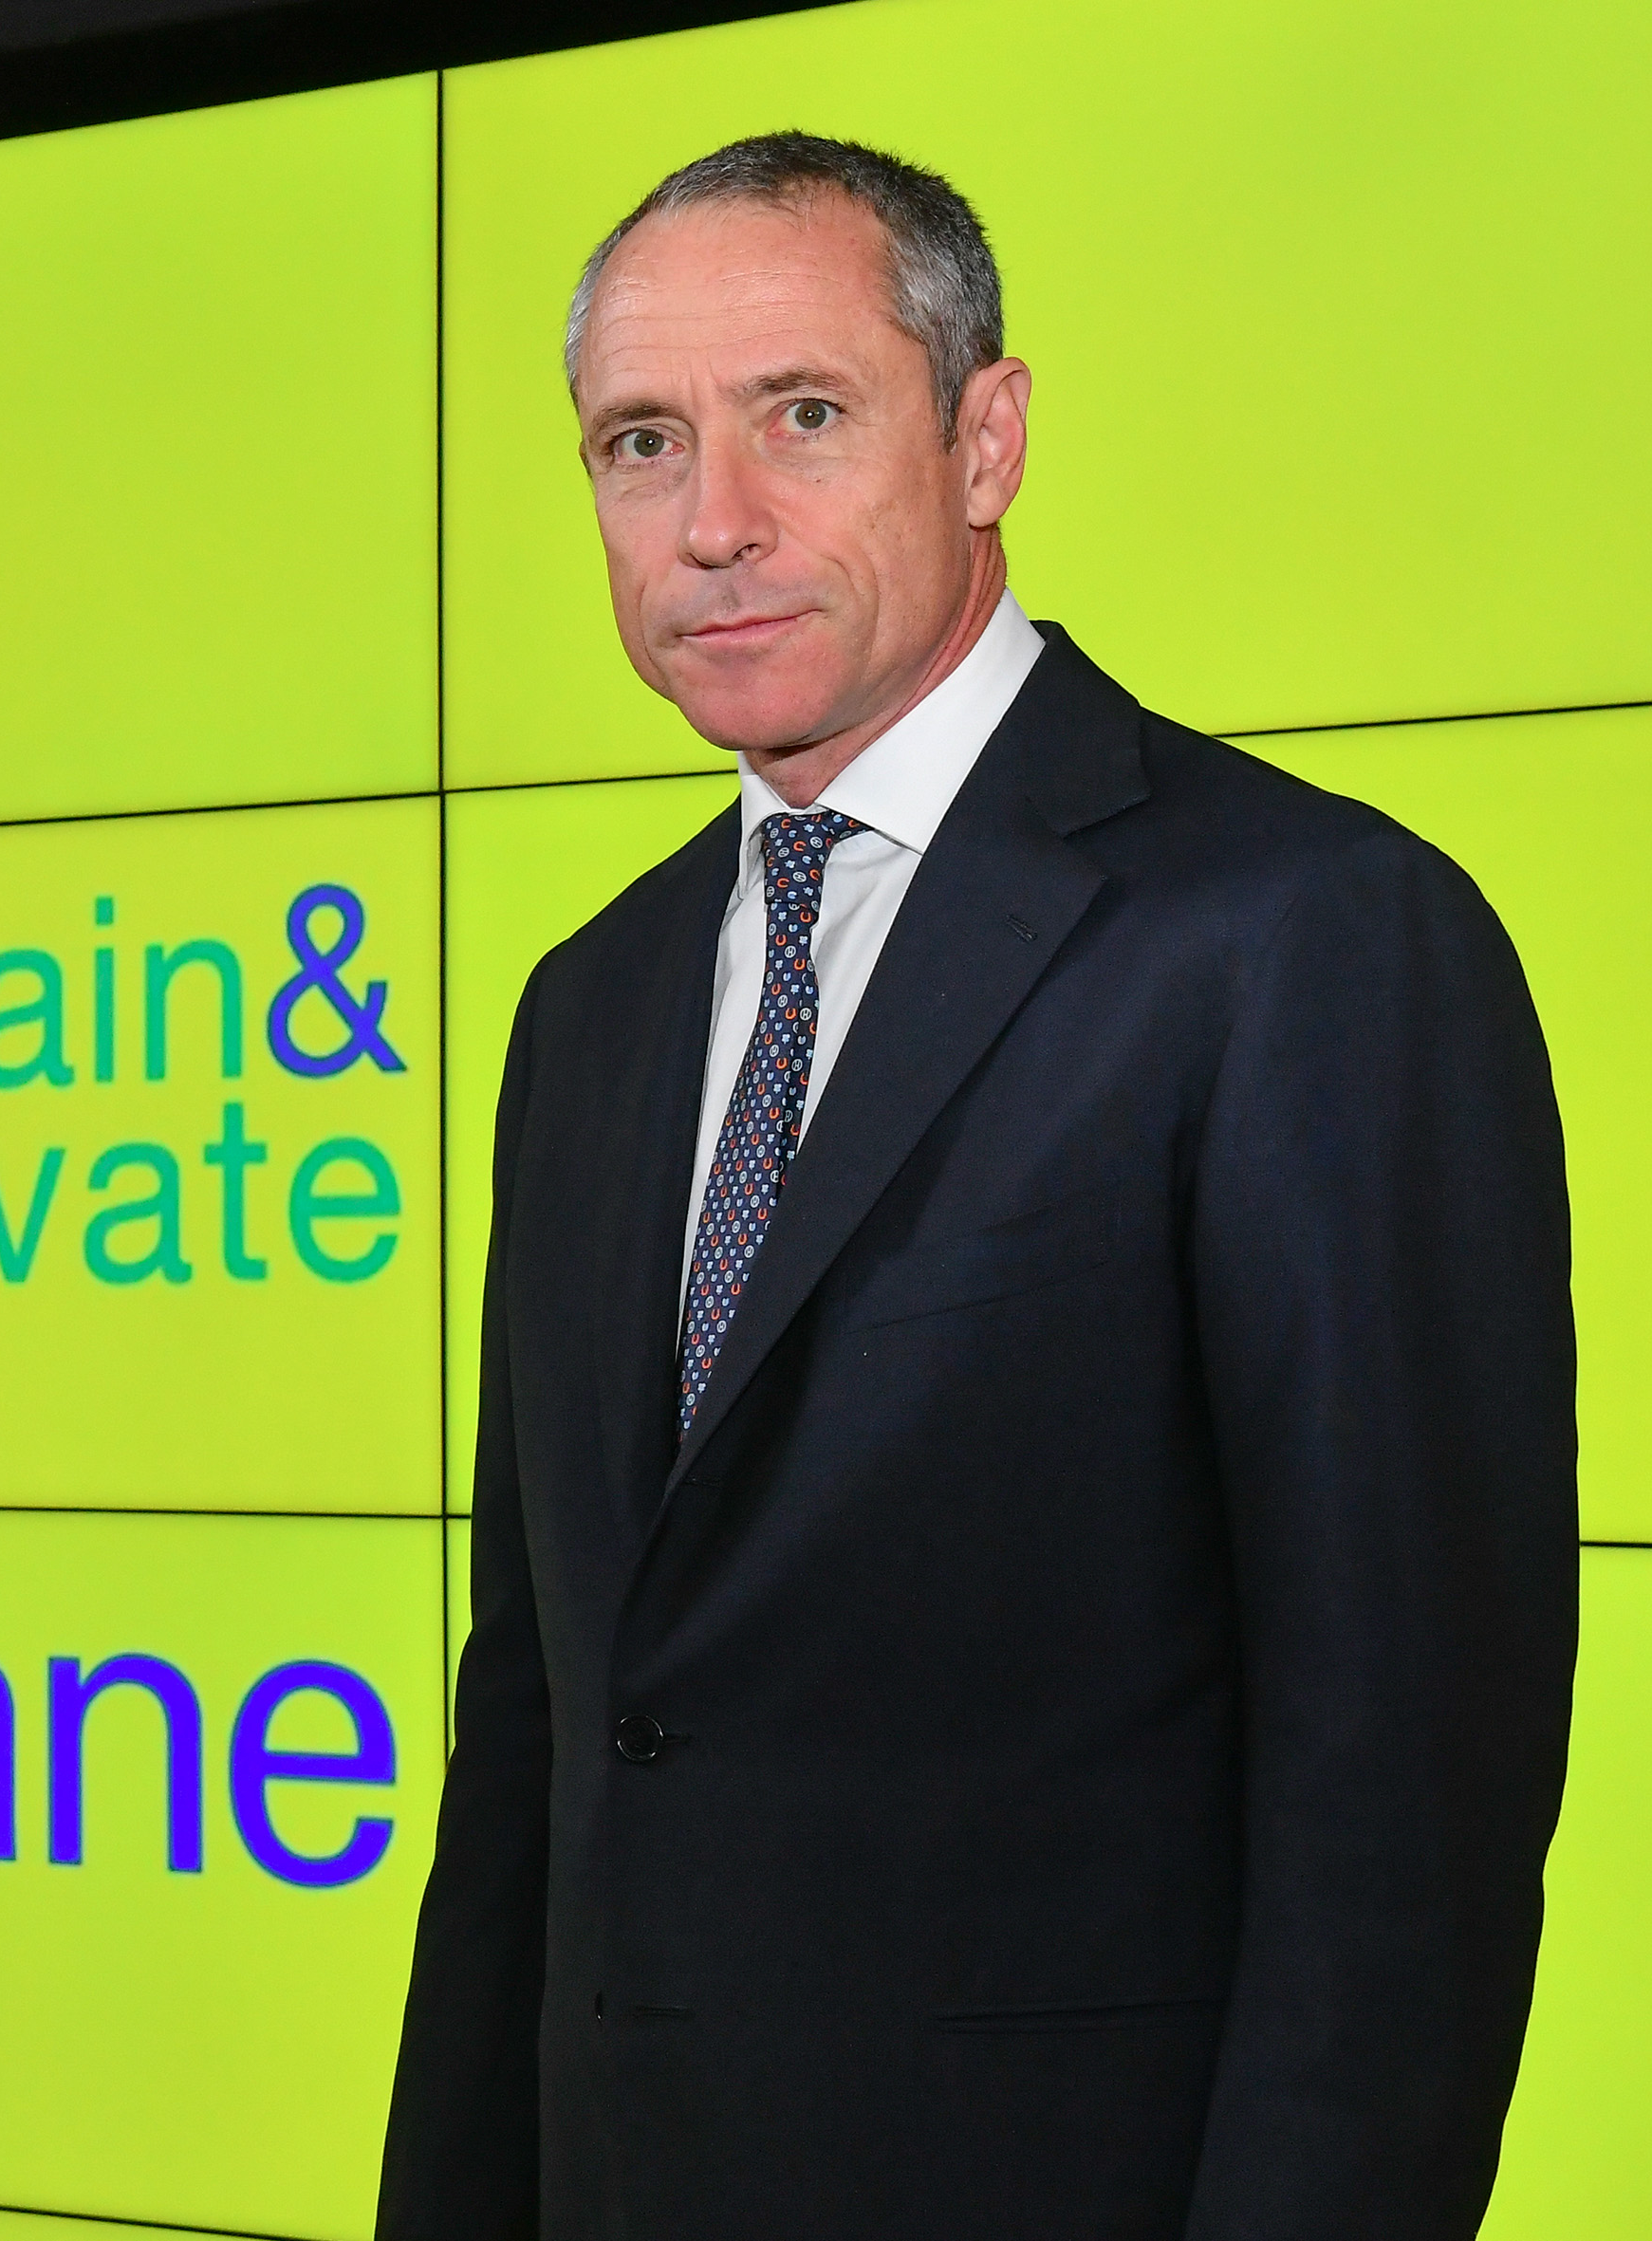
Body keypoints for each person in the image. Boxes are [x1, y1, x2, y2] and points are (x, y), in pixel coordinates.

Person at [376, 132, 1576, 2240]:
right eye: (640, 442)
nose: (711, 520)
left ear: (986, 436)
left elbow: (1401, 1809)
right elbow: (540, 1730)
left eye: (801, 416)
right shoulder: (592, 998)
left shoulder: (1305, 936)